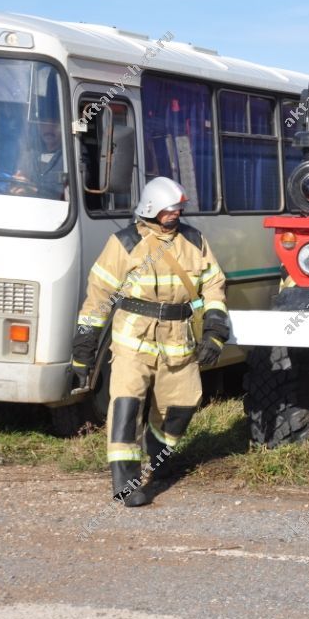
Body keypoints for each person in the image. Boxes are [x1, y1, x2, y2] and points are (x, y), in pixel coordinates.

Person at [70, 177, 230, 506]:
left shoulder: (194, 240)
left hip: (179, 340)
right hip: (133, 340)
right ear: (151, 209)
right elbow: (99, 297)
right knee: (126, 407)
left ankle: (157, 452)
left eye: (178, 210)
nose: (175, 215)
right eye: (169, 210)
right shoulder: (125, 243)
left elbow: (213, 284)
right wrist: (84, 345)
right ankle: (126, 483)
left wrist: (215, 328)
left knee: (181, 407)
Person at [9, 119, 66, 199]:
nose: (48, 129)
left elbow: (73, 195)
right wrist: (15, 186)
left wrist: (35, 191)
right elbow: (18, 178)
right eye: (44, 125)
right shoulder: (30, 154)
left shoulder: (72, 155)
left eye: (54, 125)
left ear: (64, 126)